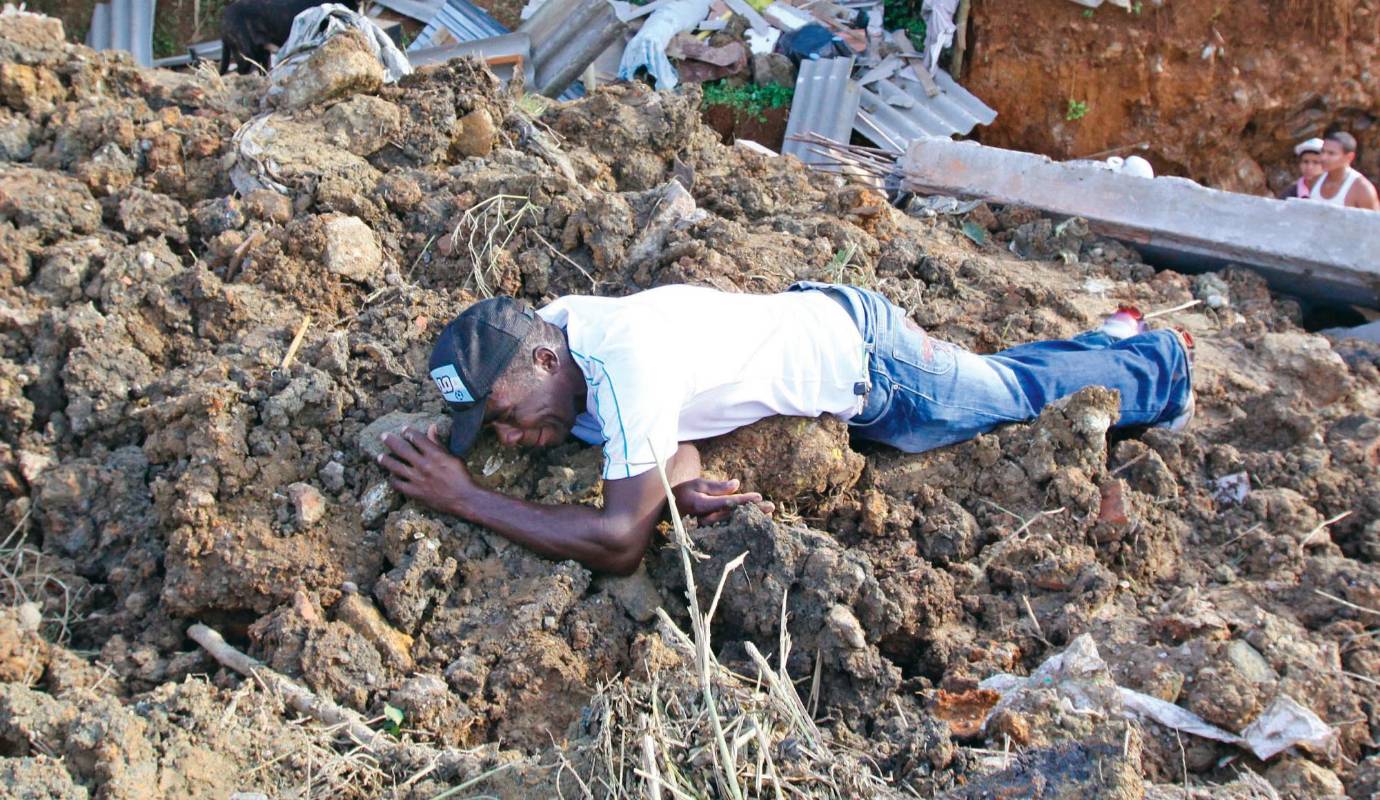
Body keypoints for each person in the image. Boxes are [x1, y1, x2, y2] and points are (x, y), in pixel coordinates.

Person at [377, 284, 1194, 575]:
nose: (510, 441)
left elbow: (619, 542)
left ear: (543, 362)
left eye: (505, 419)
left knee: (1013, 396)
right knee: (992, 378)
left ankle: (1164, 365)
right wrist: (677, 480)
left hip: (877, 368)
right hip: (824, 324)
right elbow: (668, 437)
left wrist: (465, 499)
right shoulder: (557, 334)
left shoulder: (623, 360)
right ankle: (1112, 340)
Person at [1310, 131, 1380, 210]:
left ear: (1349, 157)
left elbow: (1374, 217)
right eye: (1322, 151)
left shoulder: (1362, 189)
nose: (1323, 157)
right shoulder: (1315, 180)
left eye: (1331, 153)